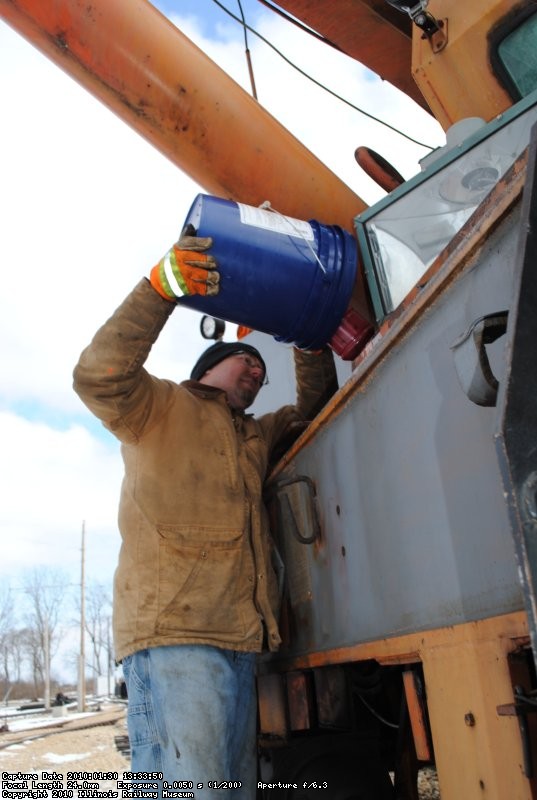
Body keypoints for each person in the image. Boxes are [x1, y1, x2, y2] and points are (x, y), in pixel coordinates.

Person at [73, 228, 337, 798]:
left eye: (261, 374)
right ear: (208, 365)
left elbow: (314, 410)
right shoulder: (159, 404)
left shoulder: (254, 437)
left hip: (239, 637)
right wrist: (160, 290)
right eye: (246, 361)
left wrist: (307, 336)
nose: (256, 374)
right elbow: (97, 375)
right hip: (177, 631)